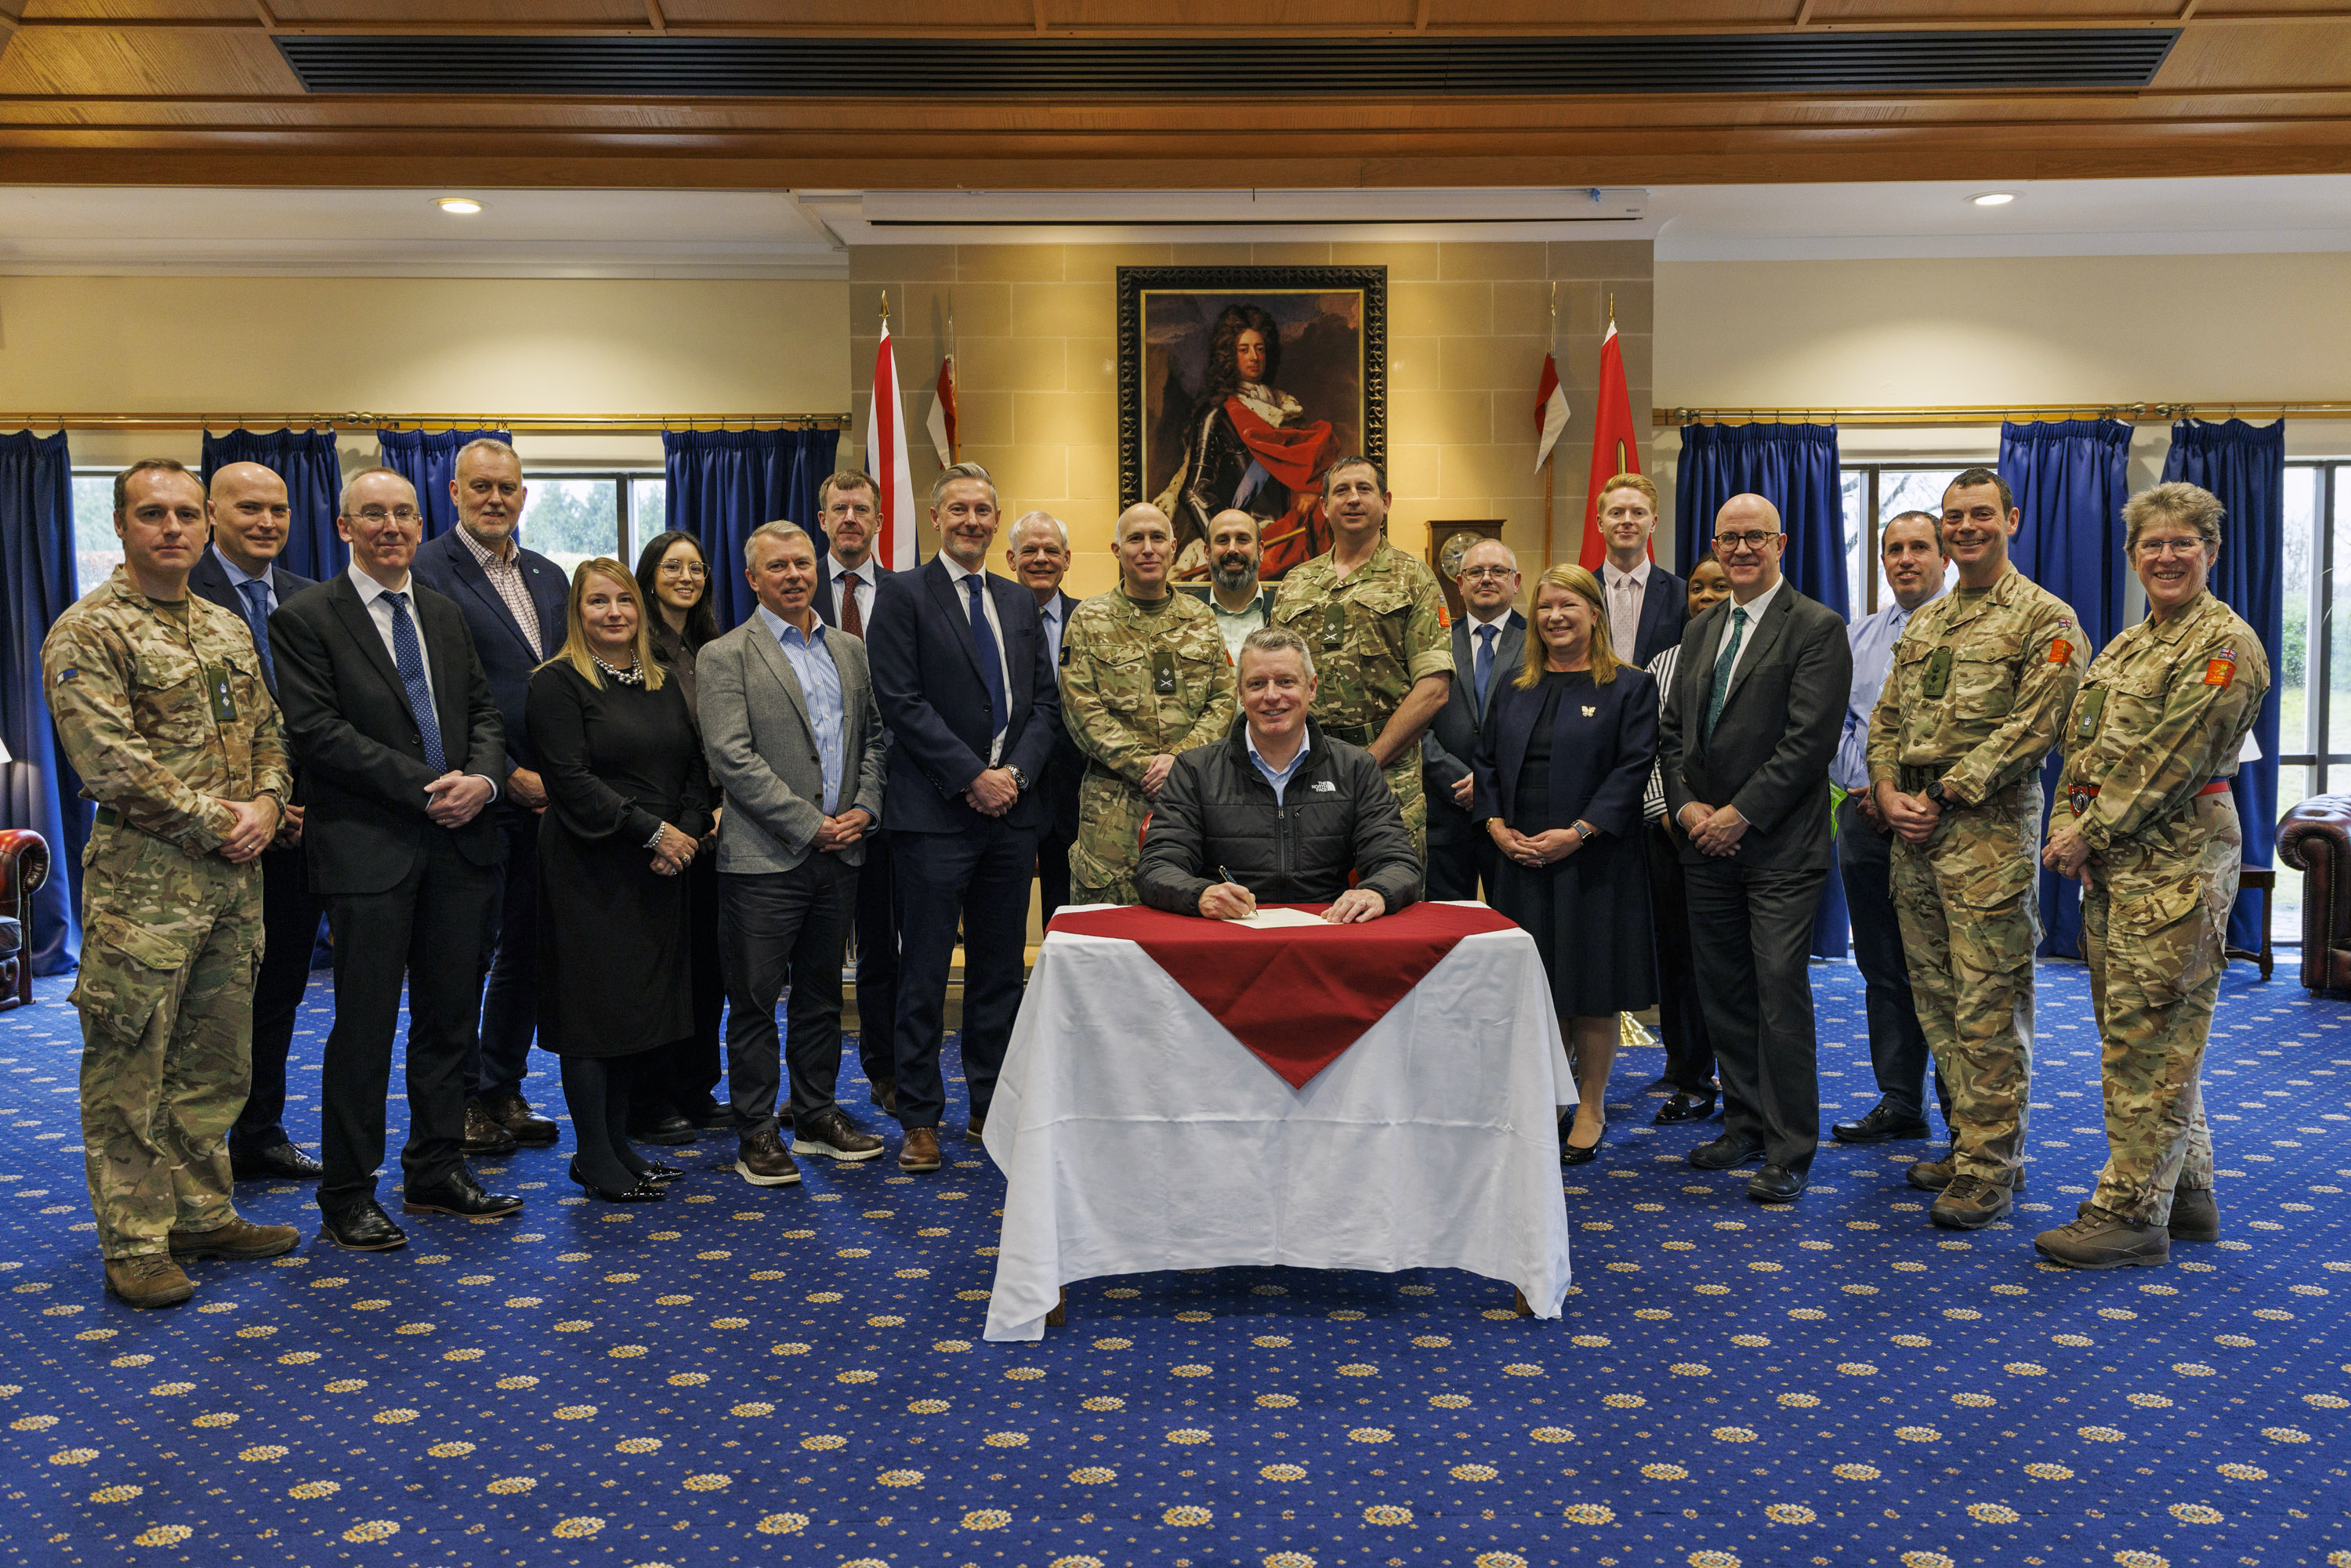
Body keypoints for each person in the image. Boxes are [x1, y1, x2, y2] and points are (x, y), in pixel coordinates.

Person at [43, 459, 299, 1307]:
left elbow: (268, 729)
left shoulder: (223, 627)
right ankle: (135, 1242)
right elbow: (111, 766)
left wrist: (268, 799)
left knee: (216, 1063)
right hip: (143, 892)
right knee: (129, 1067)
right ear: (121, 524)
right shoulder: (88, 633)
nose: (174, 528)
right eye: (154, 513)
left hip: (232, 888)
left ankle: (200, 1213)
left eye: (188, 514)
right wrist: (223, 822)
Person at [271, 468, 521, 1251]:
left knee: (450, 1022)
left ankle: (436, 1167)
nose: (390, 526)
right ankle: (348, 1192)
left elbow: (482, 711)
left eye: (403, 514)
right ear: (344, 527)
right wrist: (431, 786)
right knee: (365, 1030)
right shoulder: (306, 616)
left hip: (461, 846)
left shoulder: (444, 614)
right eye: (371, 513)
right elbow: (318, 733)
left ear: (421, 525)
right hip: (368, 852)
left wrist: (481, 778)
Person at [2035, 482, 2267, 1269]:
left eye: (2183, 543)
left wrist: (2085, 832)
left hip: (2179, 866)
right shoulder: (2129, 645)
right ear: (2134, 556)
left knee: (2150, 1039)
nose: (2166, 557)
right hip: (2117, 867)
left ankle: (2133, 1213)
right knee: (2138, 1034)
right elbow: (2085, 744)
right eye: (2152, 545)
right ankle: (2188, 1193)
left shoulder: (2223, 647)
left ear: (2211, 549)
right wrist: (2075, 824)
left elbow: (2173, 762)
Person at [1868, 467, 2085, 1231]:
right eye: (1954, 517)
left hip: (1985, 833)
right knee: (1937, 1001)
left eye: (1980, 515)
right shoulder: (1927, 622)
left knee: (1991, 1008)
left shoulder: (2045, 619)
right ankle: (1970, 1146)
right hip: (1914, 835)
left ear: (2012, 519)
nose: (1965, 528)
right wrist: (1890, 790)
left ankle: (1993, 1169)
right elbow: (1886, 721)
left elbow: (2033, 731)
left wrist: (1942, 795)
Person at [866, 462, 1061, 1173]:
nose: (972, 520)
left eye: (984, 510)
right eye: (960, 510)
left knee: (998, 973)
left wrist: (1012, 776)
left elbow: (1045, 705)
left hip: (1010, 817)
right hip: (933, 817)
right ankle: (919, 1116)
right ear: (936, 515)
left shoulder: (1017, 601)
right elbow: (900, 701)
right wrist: (970, 776)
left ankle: (990, 1105)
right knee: (922, 971)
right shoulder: (902, 594)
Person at [1658, 494, 1852, 1204]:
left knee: (1778, 993)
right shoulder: (1705, 627)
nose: (1741, 550)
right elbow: (1673, 734)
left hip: (1778, 848)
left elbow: (1808, 744)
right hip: (1704, 844)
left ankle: (1791, 1145)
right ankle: (1742, 1120)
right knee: (1726, 994)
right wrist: (1685, 807)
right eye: (1729, 538)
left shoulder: (1816, 627)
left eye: (1755, 538)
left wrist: (1740, 813)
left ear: (1781, 541)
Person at [701, 522, 891, 1186]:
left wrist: (864, 809)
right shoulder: (725, 655)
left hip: (841, 854)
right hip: (763, 859)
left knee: (820, 996)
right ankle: (757, 1129)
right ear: (753, 578)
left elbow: (874, 738)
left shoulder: (850, 649)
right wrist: (811, 823)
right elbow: (731, 756)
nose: (793, 574)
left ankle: (813, 1112)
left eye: (802, 563)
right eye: (776, 566)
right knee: (754, 1001)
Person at [527, 559, 712, 1201]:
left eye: (624, 602)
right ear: (577, 613)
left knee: (638, 1010)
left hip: (661, 868)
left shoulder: (658, 680)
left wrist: (683, 836)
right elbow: (571, 782)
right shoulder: (556, 683)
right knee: (593, 1014)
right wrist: (653, 833)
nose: (614, 613)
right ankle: (592, 1153)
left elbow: (694, 768)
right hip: (591, 866)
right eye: (597, 602)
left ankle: (619, 1145)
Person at [410, 436, 569, 1157]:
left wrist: (560, 778)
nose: (495, 498)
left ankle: (502, 1086)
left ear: (524, 495)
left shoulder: (546, 573)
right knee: (464, 956)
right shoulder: (424, 573)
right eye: (481, 487)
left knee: (533, 952)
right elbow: (441, 697)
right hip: (476, 794)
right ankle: (462, 1100)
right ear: (453, 493)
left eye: (507, 487)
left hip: (551, 798)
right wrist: (504, 771)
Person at [1474, 565, 1657, 1164]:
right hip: (1520, 856)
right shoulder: (1516, 685)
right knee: (1537, 985)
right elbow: (1487, 762)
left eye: (1569, 606)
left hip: (1594, 858)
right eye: (1546, 606)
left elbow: (1633, 769)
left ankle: (1590, 1103)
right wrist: (1497, 825)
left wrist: (1577, 832)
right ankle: (1548, 1095)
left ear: (1594, 614)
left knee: (1590, 987)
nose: (1555, 616)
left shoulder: (1628, 686)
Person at [188, 460, 323, 1182]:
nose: (266, 521)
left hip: (302, 831)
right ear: (213, 512)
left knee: (280, 990)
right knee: (211, 1001)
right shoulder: (184, 594)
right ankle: (200, 1146)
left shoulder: (310, 597)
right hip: (217, 839)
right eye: (248, 509)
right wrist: (261, 805)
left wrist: (299, 805)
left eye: (277, 509)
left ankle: (260, 1130)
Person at [1136, 626, 1418, 921]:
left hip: (1327, 931)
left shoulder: (1355, 768)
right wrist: (1199, 895)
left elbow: (1398, 863)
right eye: (1257, 684)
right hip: (1228, 935)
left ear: (1311, 688)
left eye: (1286, 682)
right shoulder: (1194, 770)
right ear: (1240, 695)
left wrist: (1375, 892)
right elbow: (1157, 867)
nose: (1272, 696)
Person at [1829, 512, 1951, 1146]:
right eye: (1894, 549)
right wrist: (1869, 788)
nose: (1906, 559)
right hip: (1863, 817)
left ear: (1944, 556)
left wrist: (1912, 796)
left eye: (1919, 547)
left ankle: (1967, 1119)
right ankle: (1900, 1098)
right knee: (1882, 964)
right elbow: (1839, 723)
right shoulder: (1861, 636)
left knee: (1953, 971)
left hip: (1946, 825)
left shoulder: (1972, 626)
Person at [1267, 456, 1454, 859]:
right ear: (1324, 507)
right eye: (1341, 491)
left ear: (1385, 502)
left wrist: (1369, 761)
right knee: (1308, 897)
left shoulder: (1414, 578)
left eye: (1364, 490)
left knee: (1390, 893)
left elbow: (1434, 688)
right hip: (1304, 768)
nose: (1353, 499)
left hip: (1388, 770)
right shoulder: (1296, 583)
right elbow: (1273, 676)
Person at [1059, 503, 1237, 905]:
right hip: (1112, 803)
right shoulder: (1089, 619)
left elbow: (1224, 699)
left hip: (1191, 797)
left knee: (1189, 908)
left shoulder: (1201, 619)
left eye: (1157, 538)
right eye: (1135, 539)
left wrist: (1179, 761)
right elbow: (1080, 708)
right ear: (1116, 550)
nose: (1147, 549)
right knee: (1107, 923)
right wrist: (1146, 767)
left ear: (1174, 548)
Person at [632, 528, 730, 1137]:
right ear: (649, 575)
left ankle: (697, 1088)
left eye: (696, 567)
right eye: (673, 566)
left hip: (719, 828)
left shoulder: (711, 644)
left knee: (708, 971)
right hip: (663, 828)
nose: (687, 576)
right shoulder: (636, 646)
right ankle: (654, 1097)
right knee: (660, 973)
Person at [810, 469, 901, 1117]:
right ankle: (808, 1091)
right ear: (822, 519)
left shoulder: (908, 593)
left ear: (878, 521)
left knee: (880, 945)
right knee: (808, 959)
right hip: (808, 805)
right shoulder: (789, 582)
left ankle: (885, 1070)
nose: (849, 517)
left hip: (893, 800)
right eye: (838, 507)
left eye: (861, 508)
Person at [1640, 559, 1731, 1125]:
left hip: (1740, 832)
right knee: (1679, 961)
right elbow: (1650, 749)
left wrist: (1728, 817)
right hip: (1671, 835)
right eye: (1696, 587)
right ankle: (1689, 1073)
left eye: (1718, 585)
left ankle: (1742, 1077)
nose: (1705, 595)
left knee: (1730, 965)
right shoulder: (1662, 664)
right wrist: (1668, 812)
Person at [1156, 302, 1339, 579]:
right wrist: (1227, 542)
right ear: (1231, 355)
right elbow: (1194, 492)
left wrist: (1312, 491)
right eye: (1244, 350)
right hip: (1241, 548)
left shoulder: (1288, 411)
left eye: (1260, 349)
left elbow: (1308, 473)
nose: (1254, 357)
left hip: (1288, 541)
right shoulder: (1218, 414)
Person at [1422, 538, 1524, 902]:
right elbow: (1416, 724)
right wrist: (1456, 778)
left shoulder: (1539, 643)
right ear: (1460, 583)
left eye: (1498, 571)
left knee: (1514, 924)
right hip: (1446, 808)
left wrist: (1490, 783)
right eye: (1475, 572)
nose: (1486, 579)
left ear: (1516, 581)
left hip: (1515, 813)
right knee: (1445, 927)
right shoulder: (1433, 642)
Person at [1005, 511, 1084, 922]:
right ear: (1010, 559)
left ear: (1067, 559)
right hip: (1005, 793)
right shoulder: (988, 619)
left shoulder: (1092, 620)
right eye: (1029, 550)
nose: (1041, 558)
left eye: (1051, 550)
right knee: (1001, 919)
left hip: (1074, 796)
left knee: (1066, 916)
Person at [1593, 473, 1690, 668]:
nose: (1627, 520)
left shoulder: (1681, 594)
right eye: (1616, 513)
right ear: (1600, 523)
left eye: (1638, 513)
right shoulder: (1580, 591)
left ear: (1653, 523)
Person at [1187, 508, 1277, 660]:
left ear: (1260, 551)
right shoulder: (1183, 615)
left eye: (1243, 539)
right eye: (1222, 540)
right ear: (1207, 553)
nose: (1232, 549)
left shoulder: (1285, 611)